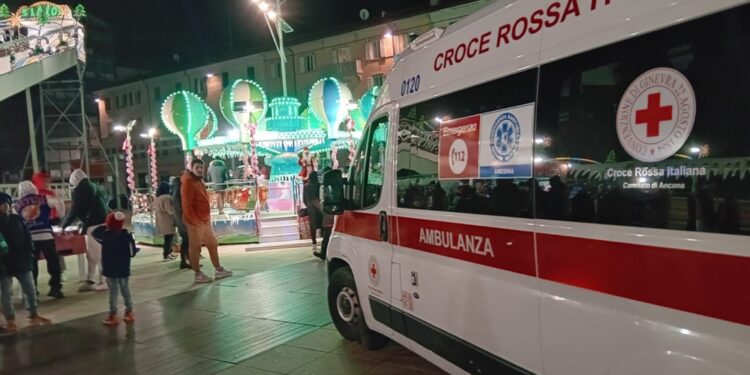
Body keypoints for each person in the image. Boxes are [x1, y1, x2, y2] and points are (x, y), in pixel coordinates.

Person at [0, 193, 51, 332]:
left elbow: (27, 235)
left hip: (22, 260)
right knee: (6, 293)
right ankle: (10, 320)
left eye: (7, 204)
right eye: (2, 205)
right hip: (4, 264)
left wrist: (30, 252)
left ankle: (33, 314)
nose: (5, 207)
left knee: (30, 289)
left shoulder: (16, 219)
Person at [181, 159, 232, 283]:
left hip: (204, 219)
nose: (199, 169)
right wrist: (194, 221)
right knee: (195, 247)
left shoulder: (198, 180)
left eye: (201, 167)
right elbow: (186, 204)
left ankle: (218, 269)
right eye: (197, 167)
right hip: (196, 221)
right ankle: (197, 273)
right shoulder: (188, 182)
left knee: (212, 244)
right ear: (192, 168)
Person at [62, 169, 109, 292]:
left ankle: (105, 281)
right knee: (92, 254)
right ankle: (91, 280)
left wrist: (63, 225)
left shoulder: (80, 190)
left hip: (93, 225)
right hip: (102, 221)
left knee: (96, 254)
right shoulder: (94, 186)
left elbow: (75, 209)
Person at [16, 181, 64, 299]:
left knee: (32, 265)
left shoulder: (18, 204)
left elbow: (15, 222)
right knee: (53, 263)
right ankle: (55, 288)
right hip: (46, 235)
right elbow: (58, 202)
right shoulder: (43, 198)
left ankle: (33, 290)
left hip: (29, 238)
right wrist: (59, 217)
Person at [94, 212, 138, 326]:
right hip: (123, 268)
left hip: (110, 269)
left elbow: (94, 233)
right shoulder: (127, 235)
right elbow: (132, 252)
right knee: (125, 289)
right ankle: (129, 312)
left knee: (113, 292)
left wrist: (106, 225)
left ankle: (112, 315)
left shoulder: (105, 235)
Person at [171, 177, 191, 270]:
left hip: (180, 221)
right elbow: (182, 210)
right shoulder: (179, 196)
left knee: (185, 241)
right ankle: (187, 260)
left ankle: (185, 260)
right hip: (184, 222)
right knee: (187, 241)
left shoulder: (175, 195)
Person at [154, 182, 177, 261]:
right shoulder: (166, 198)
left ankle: (169, 253)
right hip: (167, 221)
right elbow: (170, 210)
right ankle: (166, 254)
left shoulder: (157, 198)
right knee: (168, 238)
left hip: (161, 220)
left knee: (167, 238)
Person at [314, 168, 334, 260]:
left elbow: (322, 203)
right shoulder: (334, 186)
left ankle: (324, 253)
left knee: (327, 237)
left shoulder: (324, 188)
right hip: (332, 215)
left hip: (329, 215)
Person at [303, 171, 323, 252]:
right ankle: (324, 241)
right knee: (322, 223)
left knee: (313, 226)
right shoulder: (318, 185)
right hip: (319, 206)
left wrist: (308, 205)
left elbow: (304, 198)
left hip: (311, 208)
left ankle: (314, 243)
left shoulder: (306, 186)